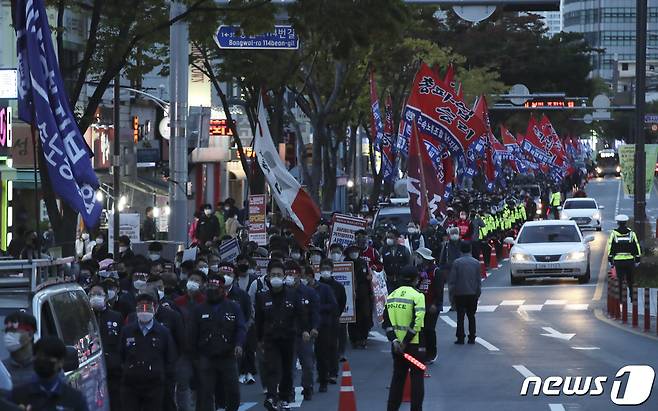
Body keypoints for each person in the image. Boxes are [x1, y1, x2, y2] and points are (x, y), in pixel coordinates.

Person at [255, 260, 309, 411]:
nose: (276, 277)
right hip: (270, 338)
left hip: (288, 337)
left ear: (284, 276)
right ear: (268, 276)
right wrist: (258, 340)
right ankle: (272, 397)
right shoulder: (262, 297)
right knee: (272, 367)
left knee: (287, 370)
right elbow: (259, 320)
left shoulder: (292, 295)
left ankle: (284, 397)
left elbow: (301, 315)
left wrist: (305, 330)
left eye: (279, 274)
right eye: (273, 275)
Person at [188, 274, 246, 411]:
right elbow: (191, 334)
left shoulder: (233, 307)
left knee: (233, 391)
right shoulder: (199, 309)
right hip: (206, 356)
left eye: (216, 287)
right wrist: (194, 357)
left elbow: (241, 328)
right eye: (210, 287)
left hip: (228, 356)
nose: (212, 290)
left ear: (222, 289)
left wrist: (239, 344)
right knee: (206, 392)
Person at [119, 292, 176, 411]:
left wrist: (164, 378)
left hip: (155, 384)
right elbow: (121, 354)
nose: (144, 310)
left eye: (148, 307)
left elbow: (169, 358)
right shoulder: (127, 331)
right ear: (136, 309)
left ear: (154, 309)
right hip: (131, 383)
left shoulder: (163, 332)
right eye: (141, 307)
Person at [382, 265, 426, 411]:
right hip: (414, 346)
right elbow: (418, 321)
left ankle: (392, 408)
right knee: (417, 377)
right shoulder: (418, 296)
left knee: (398, 378)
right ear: (415, 279)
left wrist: (395, 340)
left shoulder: (392, 295)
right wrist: (406, 341)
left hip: (397, 348)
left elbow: (387, 323)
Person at [11, 336, 88, 411]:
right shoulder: (18, 396)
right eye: (39, 357)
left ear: (60, 362)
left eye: (48, 358)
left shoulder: (74, 399)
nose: (43, 361)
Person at [302, 264, 337, 393]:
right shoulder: (300, 290)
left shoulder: (324, 288)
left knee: (322, 354)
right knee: (306, 356)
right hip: (305, 326)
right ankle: (307, 384)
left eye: (303, 276)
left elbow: (333, 305)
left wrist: (316, 307)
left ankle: (323, 380)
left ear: (310, 276)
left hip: (323, 325)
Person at [89, 284, 123, 411]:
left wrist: (117, 362)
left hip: (112, 369)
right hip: (91, 370)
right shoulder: (86, 316)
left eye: (99, 294)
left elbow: (121, 340)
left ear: (106, 297)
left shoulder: (116, 316)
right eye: (92, 294)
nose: (95, 297)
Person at [318, 258, 347, 383]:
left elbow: (342, 303)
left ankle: (333, 373)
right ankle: (321, 374)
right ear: (319, 270)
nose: (325, 271)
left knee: (332, 347)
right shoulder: (315, 286)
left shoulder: (338, 287)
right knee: (319, 350)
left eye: (328, 269)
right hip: (319, 322)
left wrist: (335, 314)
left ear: (332, 270)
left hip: (333, 321)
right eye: (323, 269)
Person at [449, 241, 482, 345]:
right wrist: (478, 293)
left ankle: (460, 337)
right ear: (470, 249)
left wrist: (452, 296)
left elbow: (452, 281)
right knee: (471, 316)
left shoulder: (457, 263)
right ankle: (472, 337)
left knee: (460, 316)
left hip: (459, 293)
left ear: (460, 250)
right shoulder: (476, 262)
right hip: (472, 293)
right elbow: (478, 280)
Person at [415, 247, 442, 363]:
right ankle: (422, 352)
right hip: (420, 304)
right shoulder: (418, 269)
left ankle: (432, 353)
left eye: (419, 257)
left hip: (432, 305)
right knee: (421, 330)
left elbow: (439, 290)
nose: (417, 259)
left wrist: (435, 304)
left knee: (429, 329)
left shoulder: (436, 271)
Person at [607, 214, 642, 303]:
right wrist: (637, 258)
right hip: (630, 261)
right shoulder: (631, 234)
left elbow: (610, 246)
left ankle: (621, 299)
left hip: (618, 261)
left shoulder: (614, 234)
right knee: (631, 280)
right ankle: (632, 298)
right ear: (626, 223)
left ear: (618, 223)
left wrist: (610, 259)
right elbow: (636, 246)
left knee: (620, 280)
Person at [344, 244, 373, 349]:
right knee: (353, 318)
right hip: (350, 294)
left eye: (356, 251)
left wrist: (369, 278)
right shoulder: (345, 263)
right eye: (352, 251)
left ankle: (363, 338)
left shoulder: (363, 262)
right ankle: (354, 339)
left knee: (365, 316)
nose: (354, 253)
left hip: (363, 293)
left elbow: (368, 277)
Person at [2, 312, 37, 387]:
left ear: (30, 334)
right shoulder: (2, 369)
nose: (8, 335)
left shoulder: (47, 368)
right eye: (7, 331)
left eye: (13, 331)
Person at [438, 227, 462, 311]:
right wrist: (441, 268)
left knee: (462, 287)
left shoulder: (462, 244)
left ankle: (462, 304)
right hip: (450, 269)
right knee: (452, 288)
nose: (454, 235)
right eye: (452, 234)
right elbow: (442, 257)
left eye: (456, 233)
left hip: (462, 269)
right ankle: (453, 305)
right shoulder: (446, 245)